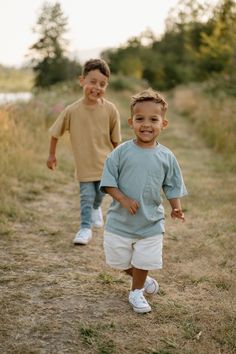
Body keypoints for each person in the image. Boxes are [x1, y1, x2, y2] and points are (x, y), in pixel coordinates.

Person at [100, 88, 187, 313]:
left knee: (145, 259)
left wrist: (176, 207)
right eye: (140, 119)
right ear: (131, 122)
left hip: (150, 222)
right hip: (121, 221)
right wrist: (123, 199)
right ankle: (143, 279)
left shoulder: (166, 156)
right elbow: (108, 181)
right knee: (118, 261)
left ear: (163, 124)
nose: (146, 124)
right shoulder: (121, 152)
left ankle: (136, 292)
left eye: (153, 119)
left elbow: (172, 184)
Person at [47, 58, 121, 245]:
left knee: (100, 194)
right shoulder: (72, 111)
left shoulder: (111, 110)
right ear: (82, 81)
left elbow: (115, 140)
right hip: (84, 166)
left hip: (105, 164)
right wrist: (52, 155)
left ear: (107, 86)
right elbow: (55, 133)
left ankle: (96, 208)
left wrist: (121, 162)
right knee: (86, 197)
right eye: (92, 82)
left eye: (102, 84)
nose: (97, 87)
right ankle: (85, 228)